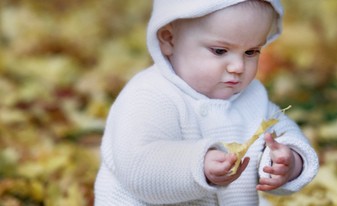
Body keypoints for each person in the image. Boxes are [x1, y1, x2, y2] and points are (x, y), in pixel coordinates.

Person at [94, 0, 319, 205]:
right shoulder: (150, 94)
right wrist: (198, 165)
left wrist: (288, 162)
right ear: (169, 39)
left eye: (251, 52)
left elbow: (281, 133)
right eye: (220, 51)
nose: (238, 67)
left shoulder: (252, 97)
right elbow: (138, 165)